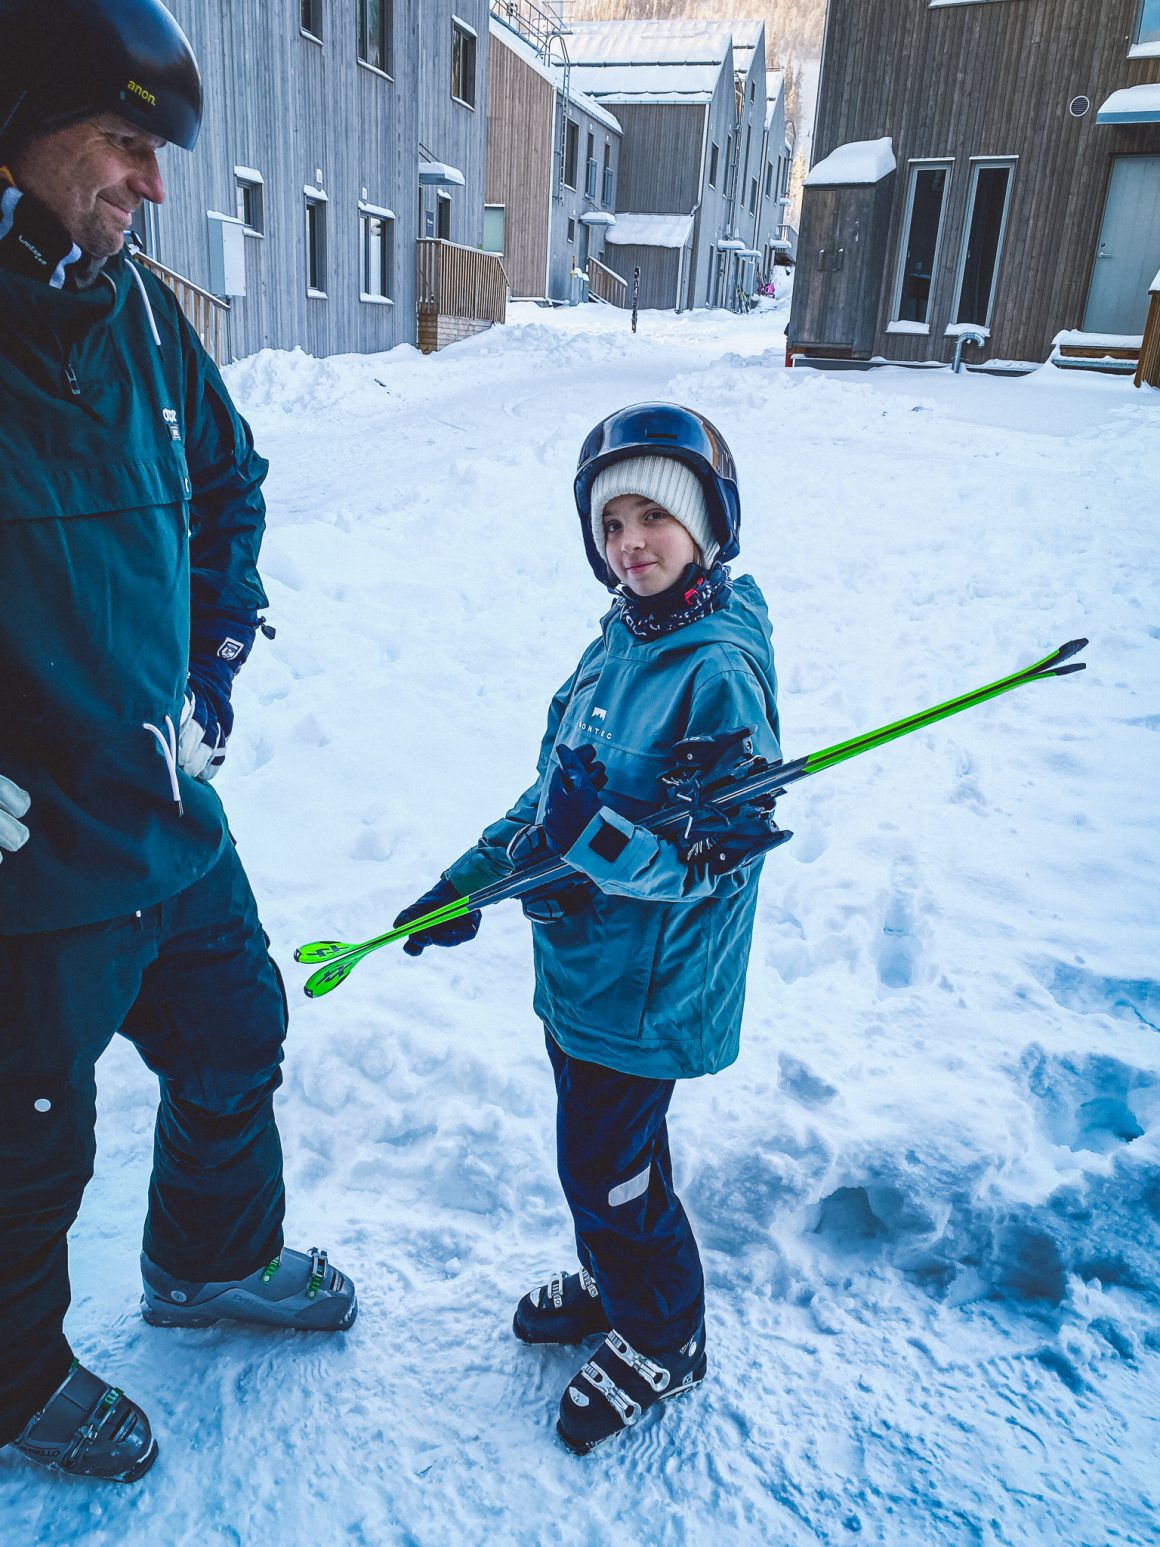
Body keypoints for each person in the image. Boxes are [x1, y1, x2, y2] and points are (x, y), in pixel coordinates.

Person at [0, 0, 355, 1484]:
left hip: (162, 801)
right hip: (28, 846)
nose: (152, 184)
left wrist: (210, 661)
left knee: (234, 1032)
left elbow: (229, 483)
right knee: (27, 1138)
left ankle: (211, 1261)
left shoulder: (141, 314)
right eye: (128, 145)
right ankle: (15, 1375)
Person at [394, 403, 782, 1454]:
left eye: (653, 516)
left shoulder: (716, 675)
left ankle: (664, 1333)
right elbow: (545, 802)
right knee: (605, 1155)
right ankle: (621, 1277)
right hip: (582, 974)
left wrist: (597, 838)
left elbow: (712, 866)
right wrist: (465, 883)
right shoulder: (615, 641)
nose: (629, 545)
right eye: (610, 523)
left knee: (608, 1169)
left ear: (707, 525)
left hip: (647, 990)